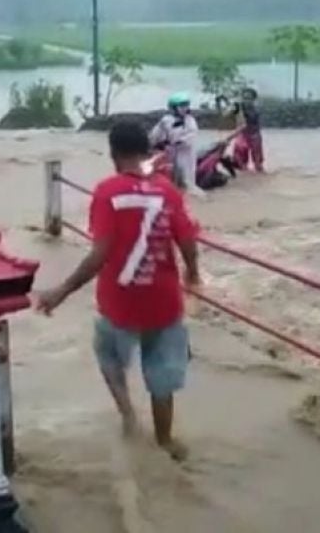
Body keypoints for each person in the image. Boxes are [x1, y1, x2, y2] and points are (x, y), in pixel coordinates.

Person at [35, 121, 201, 461]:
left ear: (113, 154)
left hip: (119, 302)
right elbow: (186, 239)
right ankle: (165, 441)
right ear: (147, 152)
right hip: (163, 301)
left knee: (108, 354)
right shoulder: (168, 191)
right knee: (162, 376)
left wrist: (62, 291)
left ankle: (127, 413)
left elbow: (101, 253)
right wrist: (193, 274)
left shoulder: (107, 192)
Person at [150, 93, 205, 197]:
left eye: (186, 105)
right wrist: (159, 143)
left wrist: (179, 142)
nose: (185, 108)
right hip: (169, 154)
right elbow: (155, 135)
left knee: (187, 179)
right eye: (182, 106)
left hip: (186, 155)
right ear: (174, 107)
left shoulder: (190, 120)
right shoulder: (165, 120)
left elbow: (191, 136)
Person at [230, 87, 265, 173]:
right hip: (242, 135)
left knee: (258, 165)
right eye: (244, 98)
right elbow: (227, 115)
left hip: (254, 135)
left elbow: (257, 126)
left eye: (249, 98)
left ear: (253, 100)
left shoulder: (256, 110)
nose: (246, 101)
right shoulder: (238, 108)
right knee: (240, 163)